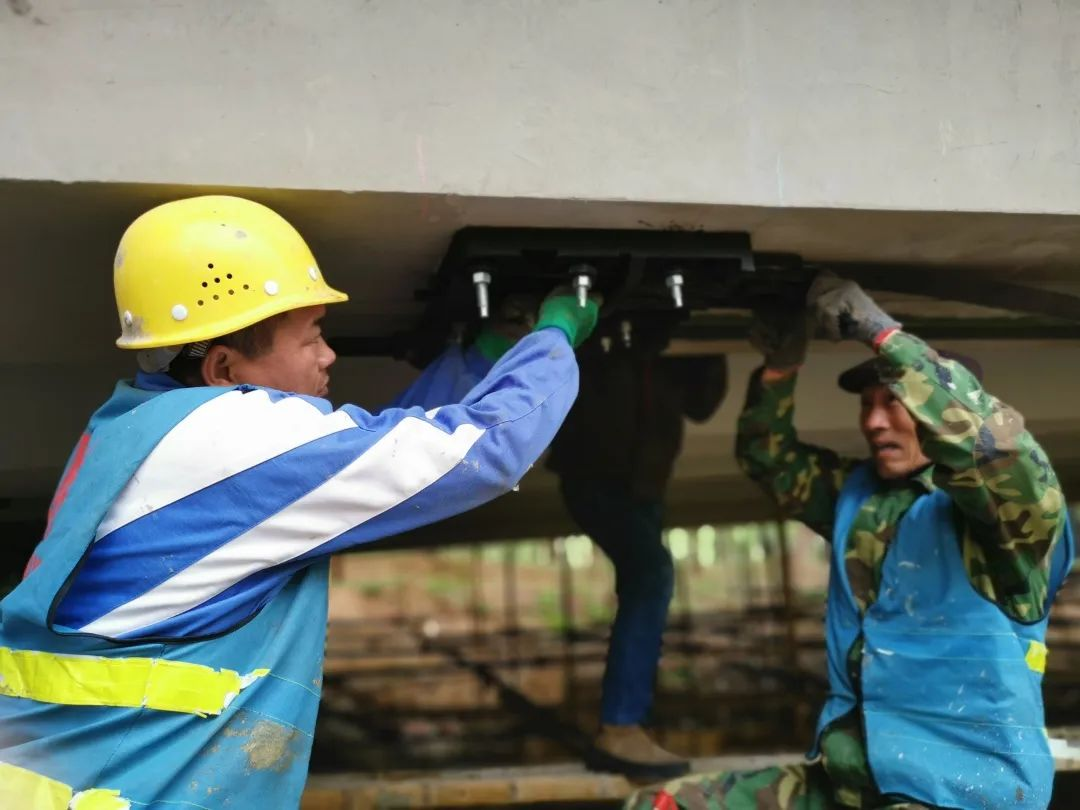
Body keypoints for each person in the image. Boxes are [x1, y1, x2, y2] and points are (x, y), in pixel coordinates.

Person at [0, 195, 598, 809]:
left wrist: (485, 356)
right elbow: (481, 451)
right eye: (310, 337)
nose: (328, 355)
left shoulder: (134, 427)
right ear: (225, 370)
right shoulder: (229, 447)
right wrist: (555, 337)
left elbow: (363, 459)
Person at [627, 274, 1073, 809]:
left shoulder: (1008, 524)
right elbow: (769, 458)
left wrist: (885, 337)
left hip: (959, 791)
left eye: (893, 402)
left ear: (937, 414)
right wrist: (780, 368)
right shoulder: (860, 494)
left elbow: (998, 451)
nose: (875, 422)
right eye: (867, 405)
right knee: (664, 805)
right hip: (846, 782)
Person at [546, 321, 727, 781]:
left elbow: (702, 405)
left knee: (646, 580)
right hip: (594, 478)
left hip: (645, 486)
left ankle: (627, 723)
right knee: (652, 575)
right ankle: (621, 726)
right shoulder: (606, 331)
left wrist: (702, 346)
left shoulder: (677, 332)